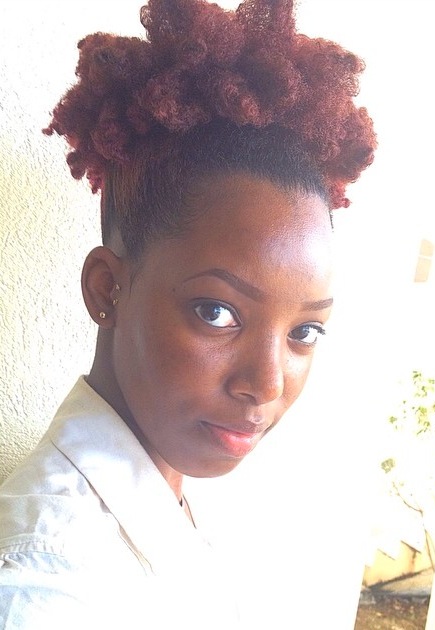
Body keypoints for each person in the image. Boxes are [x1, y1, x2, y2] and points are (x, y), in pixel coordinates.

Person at [0, 0, 376, 627]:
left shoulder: (171, 493)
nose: (267, 384)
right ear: (107, 289)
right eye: (217, 312)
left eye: (304, 331)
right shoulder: (47, 589)